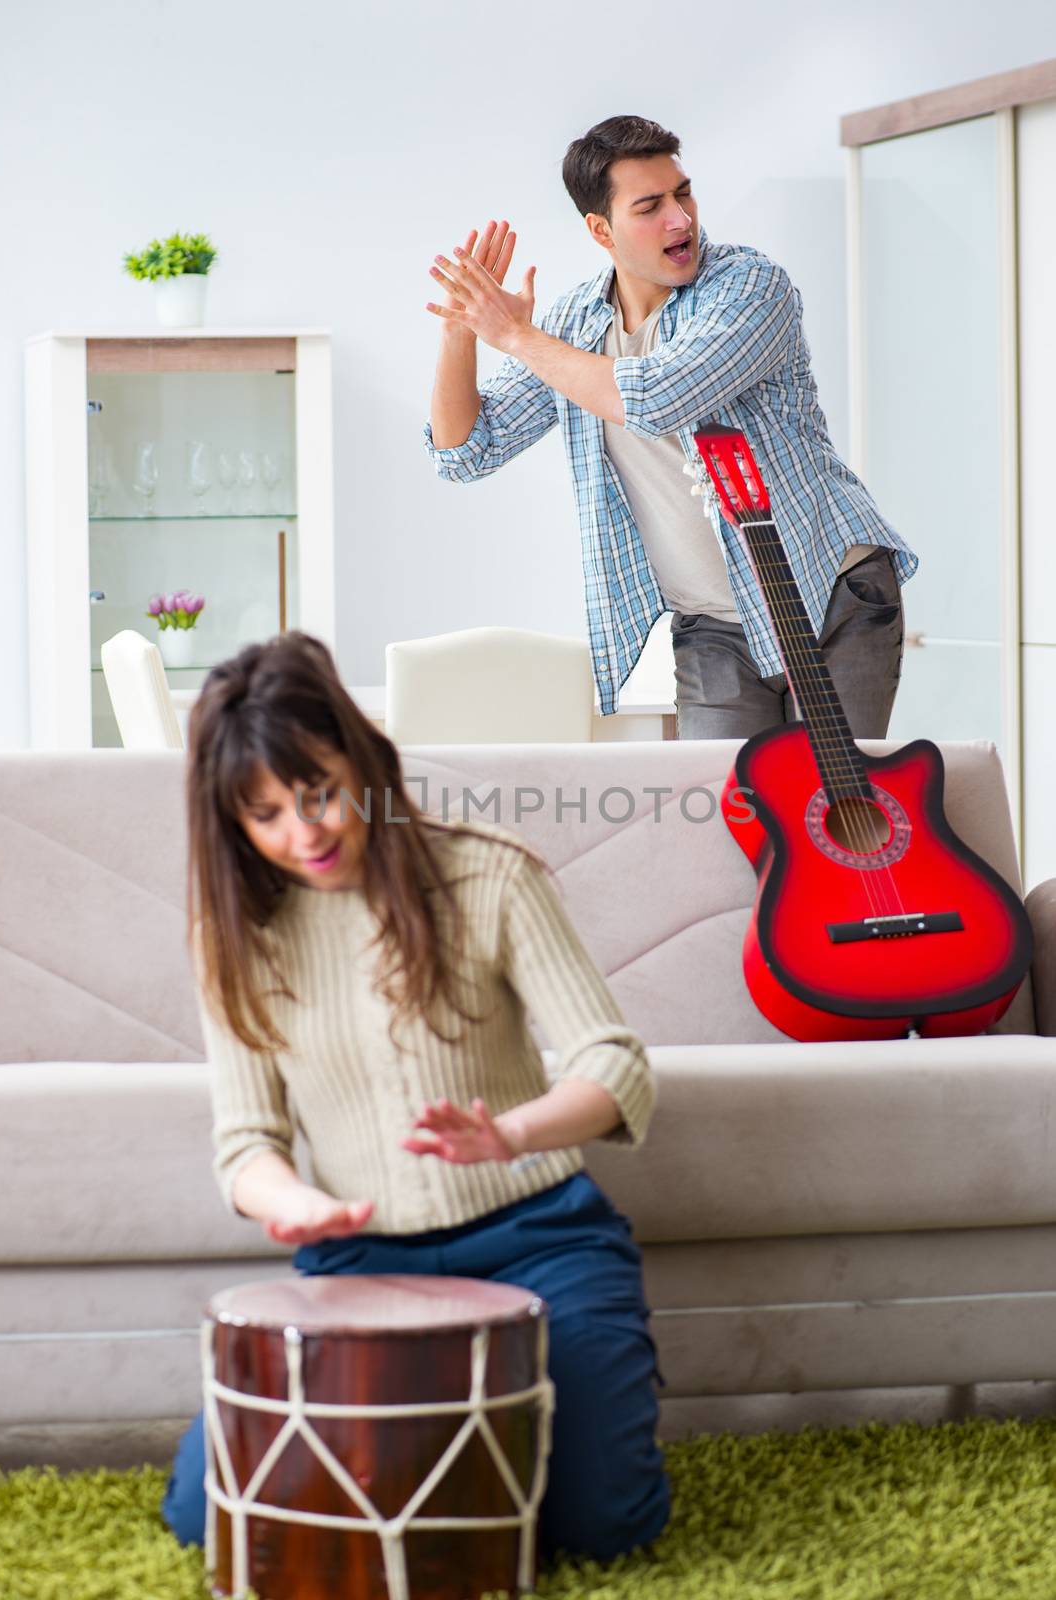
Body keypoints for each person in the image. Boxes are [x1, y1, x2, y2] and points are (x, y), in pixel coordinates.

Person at [160, 630, 670, 1566]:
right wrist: (299, 1205)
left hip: (540, 1236)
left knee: (604, 1529)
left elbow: (616, 1064)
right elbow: (246, 1146)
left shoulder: (490, 871)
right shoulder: (233, 937)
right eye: (264, 814)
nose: (301, 833)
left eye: (317, 792)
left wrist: (509, 1132)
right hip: (357, 1260)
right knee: (211, 1519)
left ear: (363, 762)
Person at [424, 114, 918, 741]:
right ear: (601, 229)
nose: (681, 219)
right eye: (650, 206)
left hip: (828, 597)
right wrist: (462, 331)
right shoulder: (576, 322)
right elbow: (466, 451)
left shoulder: (747, 286)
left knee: (829, 825)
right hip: (712, 627)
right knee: (725, 826)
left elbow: (660, 394)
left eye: (683, 193)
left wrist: (516, 336)